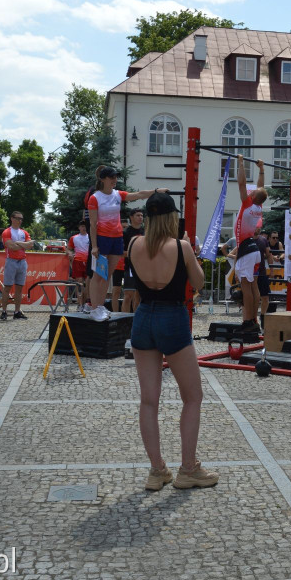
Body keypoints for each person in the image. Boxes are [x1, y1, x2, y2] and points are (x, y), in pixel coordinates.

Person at [128, 192, 218, 490]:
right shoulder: (180, 247)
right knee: (192, 397)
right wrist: (191, 248)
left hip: (143, 318)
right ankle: (188, 469)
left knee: (148, 399)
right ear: (170, 218)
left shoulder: (133, 244)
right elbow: (199, 282)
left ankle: (157, 470)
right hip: (172, 318)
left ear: (148, 218)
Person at [87, 166, 164, 321]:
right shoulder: (95, 198)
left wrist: (156, 191)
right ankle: (94, 308)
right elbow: (93, 224)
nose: (114, 180)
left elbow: (138, 195)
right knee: (98, 275)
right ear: (103, 179)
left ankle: (101, 306)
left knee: (107, 275)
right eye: (111, 178)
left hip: (116, 238)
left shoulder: (117, 195)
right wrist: (94, 245)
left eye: (116, 177)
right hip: (102, 239)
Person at [234, 155, 268, 333]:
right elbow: (261, 187)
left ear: (253, 196)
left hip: (246, 248)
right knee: (253, 285)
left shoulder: (248, 204)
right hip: (253, 250)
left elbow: (241, 183)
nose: (250, 190)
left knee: (246, 286)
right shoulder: (259, 207)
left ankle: (248, 320)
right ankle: (254, 319)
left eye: (252, 191)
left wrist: (240, 163)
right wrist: (261, 169)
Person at [0, 211, 34, 320]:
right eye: (18, 218)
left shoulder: (24, 232)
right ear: (12, 218)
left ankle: (17, 311)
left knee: (19, 288)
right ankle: (4, 311)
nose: (19, 221)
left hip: (22, 261)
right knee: (7, 287)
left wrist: (18, 243)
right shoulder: (6, 232)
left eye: (21, 219)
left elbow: (31, 245)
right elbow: (11, 246)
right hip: (11, 261)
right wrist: (23, 245)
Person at [122, 208, 145, 314]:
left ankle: (136, 320)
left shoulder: (146, 232)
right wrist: (134, 253)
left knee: (139, 296)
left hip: (143, 267)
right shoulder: (126, 232)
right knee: (128, 296)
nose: (140, 217)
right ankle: (124, 319)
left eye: (141, 215)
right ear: (131, 217)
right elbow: (121, 252)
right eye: (138, 215)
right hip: (130, 267)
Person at [67, 220, 90, 310]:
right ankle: (80, 304)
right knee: (79, 283)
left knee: (88, 283)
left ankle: (86, 303)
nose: (83, 228)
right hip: (78, 262)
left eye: (85, 226)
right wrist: (69, 253)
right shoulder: (74, 238)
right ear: (79, 227)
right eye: (82, 226)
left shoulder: (91, 237)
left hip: (88, 262)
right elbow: (68, 249)